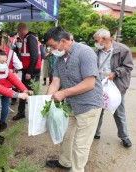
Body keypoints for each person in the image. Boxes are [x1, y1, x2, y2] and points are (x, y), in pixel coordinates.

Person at [44, 26, 103, 172]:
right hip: (70, 104)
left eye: (53, 46)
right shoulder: (58, 59)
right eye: (49, 47)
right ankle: (65, 162)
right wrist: (46, 100)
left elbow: (89, 83)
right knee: (66, 135)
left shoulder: (85, 53)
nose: (51, 50)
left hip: (89, 105)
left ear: (63, 41)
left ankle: (77, 170)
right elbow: (55, 82)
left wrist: (64, 94)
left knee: (81, 144)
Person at [93, 29, 133, 148]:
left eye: (96, 41)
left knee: (119, 112)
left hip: (116, 86)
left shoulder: (123, 50)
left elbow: (128, 66)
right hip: (100, 85)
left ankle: (124, 136)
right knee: (98, 110)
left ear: (104, 39)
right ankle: (96, 133)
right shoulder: (98, 51)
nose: (95, 43)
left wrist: (115, 73)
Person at [0, 31, 23, 132]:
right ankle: (2, 123)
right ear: (8, 40)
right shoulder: (11, 52)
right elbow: (19, 66)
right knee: (5, 104)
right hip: (7, 84)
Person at [12, 23, 42, 121]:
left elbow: (34, 56)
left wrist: (29, 72)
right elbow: (26, 56)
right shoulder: (26, 38)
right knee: (23, 90)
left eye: (18, 32)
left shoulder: (30, 38)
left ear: (20, 31)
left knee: (31, 92)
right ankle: (21, 112)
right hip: (28, 70)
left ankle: (36, 114)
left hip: (31, 71)